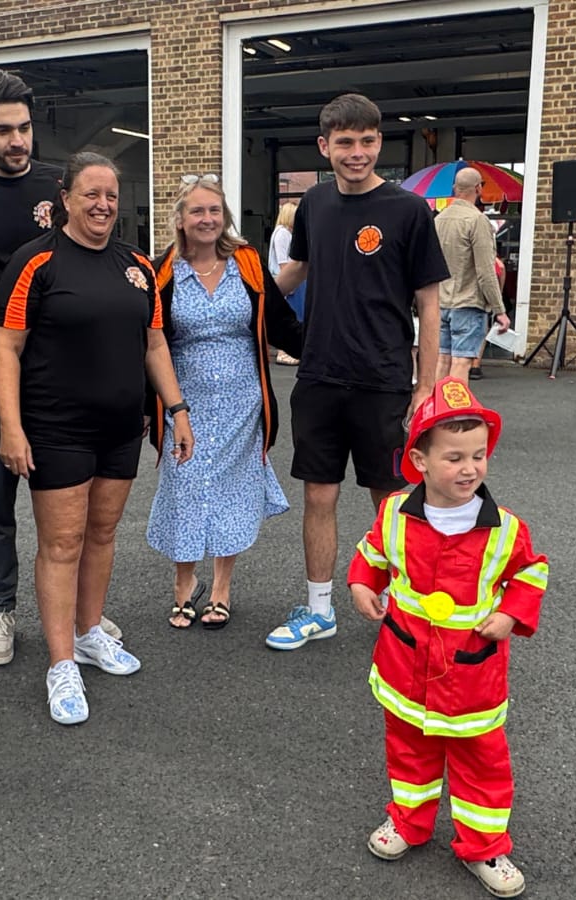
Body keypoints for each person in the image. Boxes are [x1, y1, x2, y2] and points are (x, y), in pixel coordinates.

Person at [0, 69, 122, 667]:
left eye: (26, 128)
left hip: (64, 378)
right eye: (4, 130)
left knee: (75, 505)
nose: (18, 141)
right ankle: (0, 605)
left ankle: (80, 613)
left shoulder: (57, 186)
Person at [0, 152, 194, 725]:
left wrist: (176, 408)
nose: (103, 205)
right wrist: (12, 426)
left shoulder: (137, 266)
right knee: (62, 543)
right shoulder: (36, 262)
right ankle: (61, 664)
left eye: (110, 195)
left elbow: (155, 344)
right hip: (56, 427)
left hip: (120, 425)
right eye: (91, 195)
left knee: (102, 533)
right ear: (66, 198)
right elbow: (5, 346)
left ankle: (88, 634)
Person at [348, 377, 548, 898]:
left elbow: (529, 574)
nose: (470, 468)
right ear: (419, 461)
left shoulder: (505, 529)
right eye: (455, 457)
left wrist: (510, 615)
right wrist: (360, 583)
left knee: (481, 761)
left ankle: (485, 845)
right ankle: (409, 822)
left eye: (479, 456)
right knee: (409, 752)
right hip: (405, 666)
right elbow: (372, 553)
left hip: (470, 674)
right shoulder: (393, 513)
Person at [268, 93, 448, 651]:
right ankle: (319, 608)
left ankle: (399, 607)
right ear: (325, 147)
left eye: (367, 141)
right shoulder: (314, 206)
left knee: (388, 499)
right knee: (319, 496)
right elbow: (295, 271)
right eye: (344, 142)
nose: (357, 152)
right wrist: (239, 293)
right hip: (320, 377)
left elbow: (429, 304)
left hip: (384, 381)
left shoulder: (408, 211)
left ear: (378, 144)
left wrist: (425, 387)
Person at [147, 175, 303, 630]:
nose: (207, 219)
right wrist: (148, 406)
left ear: (225, 217)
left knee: (232, 490)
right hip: (184, 400)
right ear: (180, 219)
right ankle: (182, 584)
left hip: (242, 399)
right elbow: (150, 342)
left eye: (214, 211)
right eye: (197, 211)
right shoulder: (162, 272)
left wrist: (324, 353)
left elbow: (281, 322)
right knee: (184, 488)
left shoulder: (248, 264)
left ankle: (220, 588)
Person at [434, 168, 509, 379]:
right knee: (461, 362)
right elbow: (486, 270)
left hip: (440, 301)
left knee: (441, 360)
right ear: (478, 189)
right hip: (467, 302)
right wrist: (500, 310)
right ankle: (455, 412)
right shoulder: (478, 221)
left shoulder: (438, 221)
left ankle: (436, 409)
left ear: (454, 189)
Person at [268, 201, 305, 364]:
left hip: (285, 274)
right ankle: (284, 353)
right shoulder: (283, 234)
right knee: (290, 314)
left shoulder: (284, 233)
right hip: (284, 275)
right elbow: (283, 260)